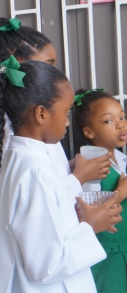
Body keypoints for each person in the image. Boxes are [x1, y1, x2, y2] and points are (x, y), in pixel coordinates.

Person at [0, 58, 122, 292]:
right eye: (65, 113)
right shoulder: (34, 170)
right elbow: (46, 265)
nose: (67, 122)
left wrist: (72, 214)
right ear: (41, 114)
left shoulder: (23, 158)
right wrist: (91, 226)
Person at [0, 17, 110, 196]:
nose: (53, 74)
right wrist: (79, 177)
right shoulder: (17, 128)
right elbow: (34, 198)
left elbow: (46, 174)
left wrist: (69, 167)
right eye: (47, 65)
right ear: (16, 64)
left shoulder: (40, 121)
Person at [72, 89, 127, 292]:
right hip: (105, 256)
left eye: (122, 117)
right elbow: (86, 213)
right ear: (89, 132)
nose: (121, 124)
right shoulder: (88, 167)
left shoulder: (123, 162)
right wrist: (120, 192)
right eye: (108, 121)